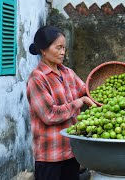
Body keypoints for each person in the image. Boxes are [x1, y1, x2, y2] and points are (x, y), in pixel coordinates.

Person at [26, 25, 95, 180]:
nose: (63, 52)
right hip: (50, 155)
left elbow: (87, 90)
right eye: (58, 48)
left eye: (64, 48)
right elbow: (49, 115)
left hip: (71, 151)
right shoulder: (37, 78)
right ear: (43, 50)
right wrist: (79, 102)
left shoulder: (67, 73)